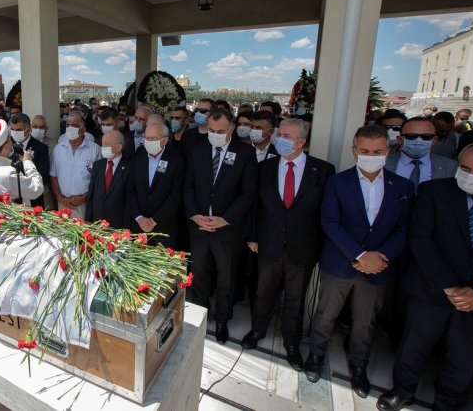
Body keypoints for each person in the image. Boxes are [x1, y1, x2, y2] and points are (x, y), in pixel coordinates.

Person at [304, 125, 413, 399]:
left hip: (378, 268)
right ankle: (316, 356)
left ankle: (359, 365)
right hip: (341, 263)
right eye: (364, 151)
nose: (371, 156)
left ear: (387, 152)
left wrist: (378, 258)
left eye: (377, 151)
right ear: (355, 151)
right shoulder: (338, 182)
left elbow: (404, 229)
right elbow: (330, 221)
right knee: (325, 313)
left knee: (366, 321)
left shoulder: (402, 187)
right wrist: (360, 255)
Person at [377, 143, 473, 411]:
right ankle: (402, 390)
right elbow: (421, 239)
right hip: (432, 288)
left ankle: (449, 402)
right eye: (466, 168)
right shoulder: (434, 192)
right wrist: (449, 285)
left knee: (463, 356)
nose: (471, 175)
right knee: (414, 346)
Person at [241, 119, 335, 370]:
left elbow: (326, 213)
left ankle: (291, 343)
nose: (279, 139)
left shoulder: (323, 170)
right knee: (263, 292)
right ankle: (258, 330)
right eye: (279, 134)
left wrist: (320, 247)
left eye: (286, 135)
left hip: (302, 247)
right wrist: (253, 237)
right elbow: (255, 207)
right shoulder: (266, 167)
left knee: (295, 299)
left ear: (301, 142)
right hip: (268, 244)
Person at [184, 109, 258, 343]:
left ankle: (222, 321)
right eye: (212, 131)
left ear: (232, 129)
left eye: (221, 132)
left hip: (227, 230)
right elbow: (188, 187)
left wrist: (224, 219)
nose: (215, 135)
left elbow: (248, 193)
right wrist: (195, 215)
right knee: (199, 276)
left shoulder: (245, 153)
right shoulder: (198, 150)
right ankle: (200, 315)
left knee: (226, 279)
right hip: (199, 228)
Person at [128, 122, 184, 247]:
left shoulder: (176, 159)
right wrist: (139, 217)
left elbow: (176, 195)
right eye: (147, 138)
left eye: (153, 138)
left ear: (165, 140)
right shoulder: (139, 155)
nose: (148, 141)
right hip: (139, 225)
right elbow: (131, 190)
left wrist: (154, 220)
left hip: (164, 227)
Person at [0, 119, 44, 204]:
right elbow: (36, 189)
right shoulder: (9, 173)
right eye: (10, 140)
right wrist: (28, 162)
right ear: (6, 147)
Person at [50, 111, 101, 219]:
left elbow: (98, 178)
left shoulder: (94, 149)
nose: (69, 128)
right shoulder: (59, 149)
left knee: (84, 234)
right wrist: (59, 198)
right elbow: (53, 175)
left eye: (73, 126)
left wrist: (84, 197)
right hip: (63, 203)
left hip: (85, 203)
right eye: (67, 125)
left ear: (83, 130)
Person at [385, 118, 458, 192]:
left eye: (426, 137)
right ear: (399, 139)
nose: (419, 140)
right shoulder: (383, 163)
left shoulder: (451, 167)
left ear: (434, 140)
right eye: (412, 136)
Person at [85, 130, 131, 228]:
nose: (103, 147)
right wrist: (88, 219)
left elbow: (130, 200)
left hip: (118, 224)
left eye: (106, 144)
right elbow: (91, 195)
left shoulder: (130, 167)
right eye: (102, 143)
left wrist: (127, 228)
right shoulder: (98, 165)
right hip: (97, 223)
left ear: (118, 147)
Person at [9, 113, 49, 208]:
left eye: (18, 130)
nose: (15, 133)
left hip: (33, 198)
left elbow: (43, 176)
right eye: (12, 130)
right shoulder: (8, 146)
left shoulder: (41, 147)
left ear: (29, 129)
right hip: (12, 198)